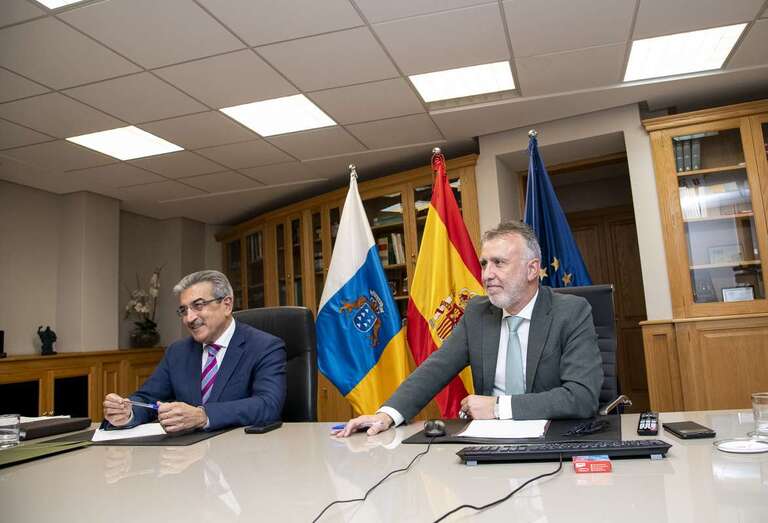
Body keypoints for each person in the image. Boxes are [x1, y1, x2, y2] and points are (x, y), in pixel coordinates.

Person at [336, 221, 603, 437]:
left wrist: (498, 408)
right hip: (488, 443)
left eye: (499, 263)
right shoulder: (478, 312)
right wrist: (387, 415)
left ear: (532, 269)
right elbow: (434, 369)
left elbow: (581, 396)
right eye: (484, 263)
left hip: (554, 440)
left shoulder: (571, 312)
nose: (486, 275)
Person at [103, 270, 286, 433]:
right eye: (184, 310)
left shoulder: (265, 346)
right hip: (187, 458)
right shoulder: (177, 352)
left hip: (242, 457)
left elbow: (268, 404)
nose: (189, 318)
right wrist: (128, 412)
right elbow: (147, 398)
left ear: (227, 305)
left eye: (198, 305)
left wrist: (203, 416)